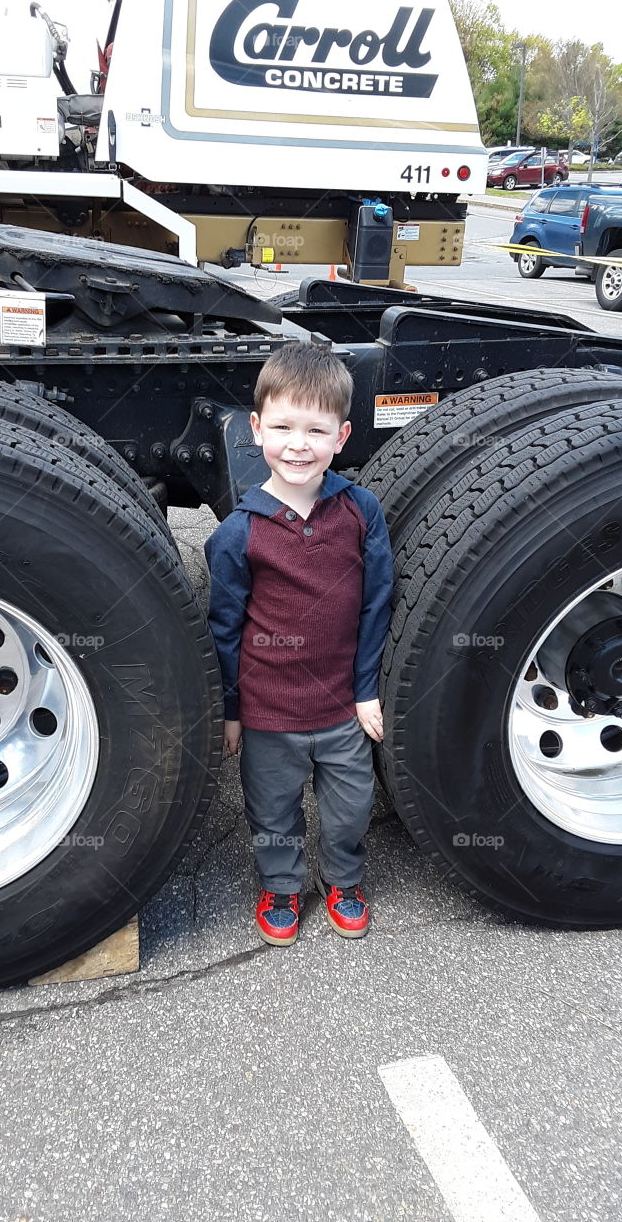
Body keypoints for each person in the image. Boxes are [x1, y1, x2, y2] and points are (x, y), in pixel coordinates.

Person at [204, 342, 393, 946]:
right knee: (273, 813)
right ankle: (281, 886)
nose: (297, 444)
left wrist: (365, 691)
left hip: (341, 708)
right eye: (283, 426)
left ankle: (343, 879)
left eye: (316, 430)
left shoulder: (361, 512)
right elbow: (224, 627)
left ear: (342, 436)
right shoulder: (239, 533)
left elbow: (375, 602)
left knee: (349, 808)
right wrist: (232, 712)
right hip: (268, 713)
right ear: (256, 429)